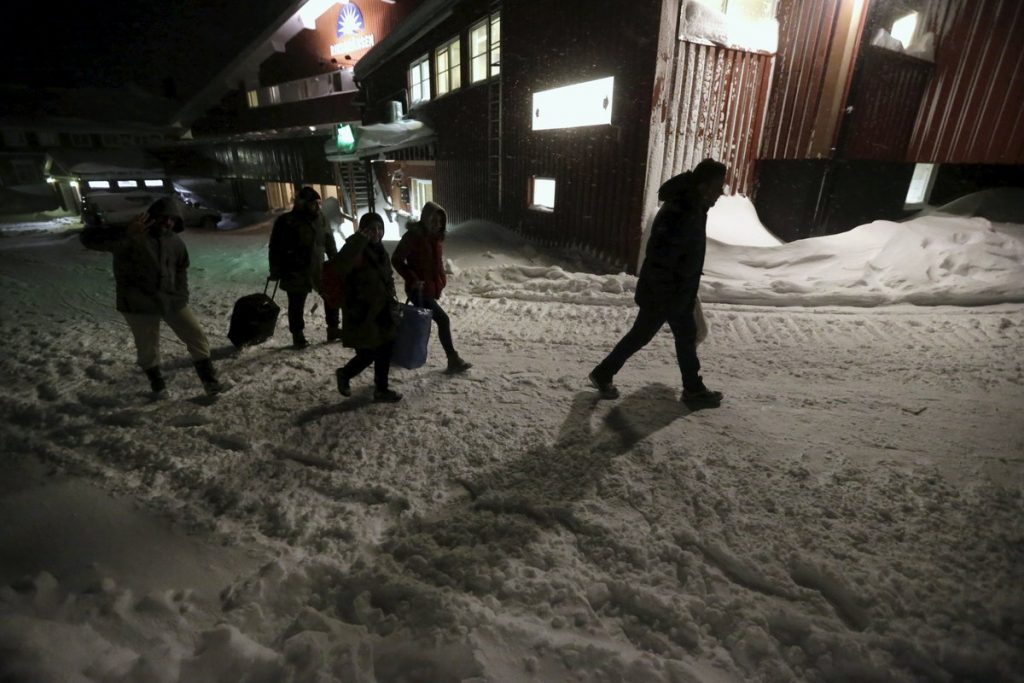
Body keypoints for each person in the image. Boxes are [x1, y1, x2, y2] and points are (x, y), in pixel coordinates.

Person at [588, 159, 727, 406]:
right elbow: (662, 257)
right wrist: (671, 295)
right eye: (717, 187)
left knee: (674, 336)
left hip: (674, 291)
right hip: (666, 292)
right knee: (658, 336)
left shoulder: (692, 205)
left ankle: (605, 373)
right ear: (704, 185)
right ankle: (692, 389)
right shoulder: (682, 209)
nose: (720, 194)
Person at [80, 198, 228, 398]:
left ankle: (210, 382)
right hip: (138, 304)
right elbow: (88, 239)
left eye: (172, 219)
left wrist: (180, 294)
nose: (167, 223)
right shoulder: (133, 236)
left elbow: (181, 268)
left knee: (196, 337)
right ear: (153, 217)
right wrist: (126, 233)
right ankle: (157, 385)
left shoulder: (174, 241)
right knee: (148, 347)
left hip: (172, 300)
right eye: (163, 218)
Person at [391, 201, 472, 373]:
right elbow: (396, 259)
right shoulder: (413, 237)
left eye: (440, 221)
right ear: (425, 219)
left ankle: (400, 352)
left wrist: (441, 280)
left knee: (419, 325)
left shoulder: (436, 238)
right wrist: (413, 278)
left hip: (430, 288)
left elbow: (437, 263)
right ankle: (452, 358)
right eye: (434, 221)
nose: (437, 224)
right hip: (418, 290)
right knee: (442, 320)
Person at [333, 212, 402, 403]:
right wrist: (358, 241)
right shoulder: (356, 250)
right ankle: (345, 374)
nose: (377, 233)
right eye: (371, 229)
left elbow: (388, 278)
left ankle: (381, 389)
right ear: (363, 230)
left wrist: (393, 300)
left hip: (382, 309)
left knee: (385, 348)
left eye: (380, 228)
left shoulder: (381, 251)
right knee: (369, 352)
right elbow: (340, 266)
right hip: (362, 312)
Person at [268, 186, 339, 348]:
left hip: (318, 268)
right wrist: (275, 270)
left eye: (318, 203)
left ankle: (333, 329)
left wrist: (335, 260)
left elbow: (329, 241)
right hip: (295, 270)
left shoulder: (321, 219)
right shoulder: (286, 221)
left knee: (331, 296)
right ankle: (298, 335)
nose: (317, 207)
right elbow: (275, 248)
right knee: (296, 304)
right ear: (302, 204)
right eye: (313, 204)